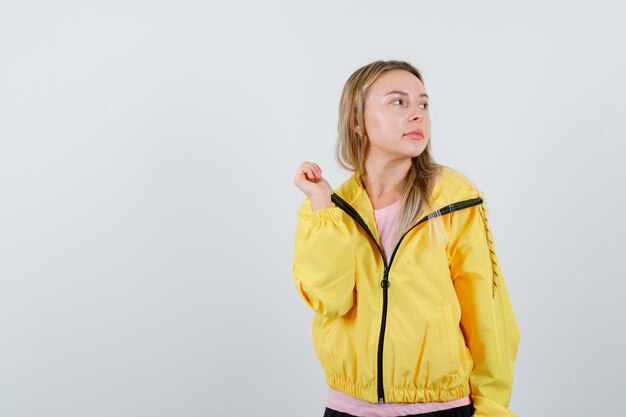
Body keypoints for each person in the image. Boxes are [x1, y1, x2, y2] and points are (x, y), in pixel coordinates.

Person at [291, 60, 520, 417]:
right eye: (398, 102)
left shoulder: (455, 200)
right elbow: (329, 301)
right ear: (357, 120)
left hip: (441, 408)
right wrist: (322, 204)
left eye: (423, 104)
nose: (417, 115)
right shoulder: (331, 211)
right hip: (347, 408)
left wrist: (492, 409)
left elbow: (488, 315)